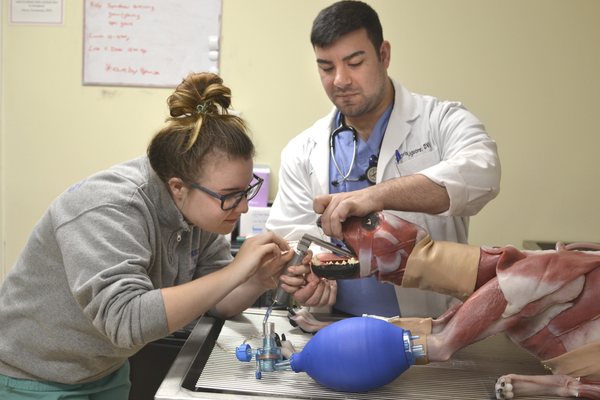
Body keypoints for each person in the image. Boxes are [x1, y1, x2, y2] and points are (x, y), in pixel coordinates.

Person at [0, 72, 298, 399]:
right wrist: (237, 270)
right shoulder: (109, 207)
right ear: (178, 187)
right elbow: (127, 320)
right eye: (230, 195)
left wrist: (257, 279)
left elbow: (217, 299)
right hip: (33, 376)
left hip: (104, 369)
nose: (241, 208)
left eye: (247, 190)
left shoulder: (200, 213)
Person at [266, 0, 501, 318]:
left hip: (427, 331)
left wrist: (375, 195)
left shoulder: (441, 121)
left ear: (384, 55)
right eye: (326, 67)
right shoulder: (302, 150)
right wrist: (305, 277)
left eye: (355, 62)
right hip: (332, 330)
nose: (340, 79)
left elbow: (482, 173)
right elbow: (290, 239)